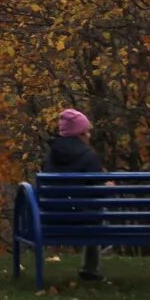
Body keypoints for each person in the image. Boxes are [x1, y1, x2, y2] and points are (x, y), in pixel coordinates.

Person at [43, 107, 105, 281]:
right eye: (87, 132)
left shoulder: (51, 157)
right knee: (95, 213)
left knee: (89, 211)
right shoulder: (89, 157)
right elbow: (99, 190)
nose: (89, 136)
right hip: (84, 220)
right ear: (80, 134)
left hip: (52, 218)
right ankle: (90, 269)